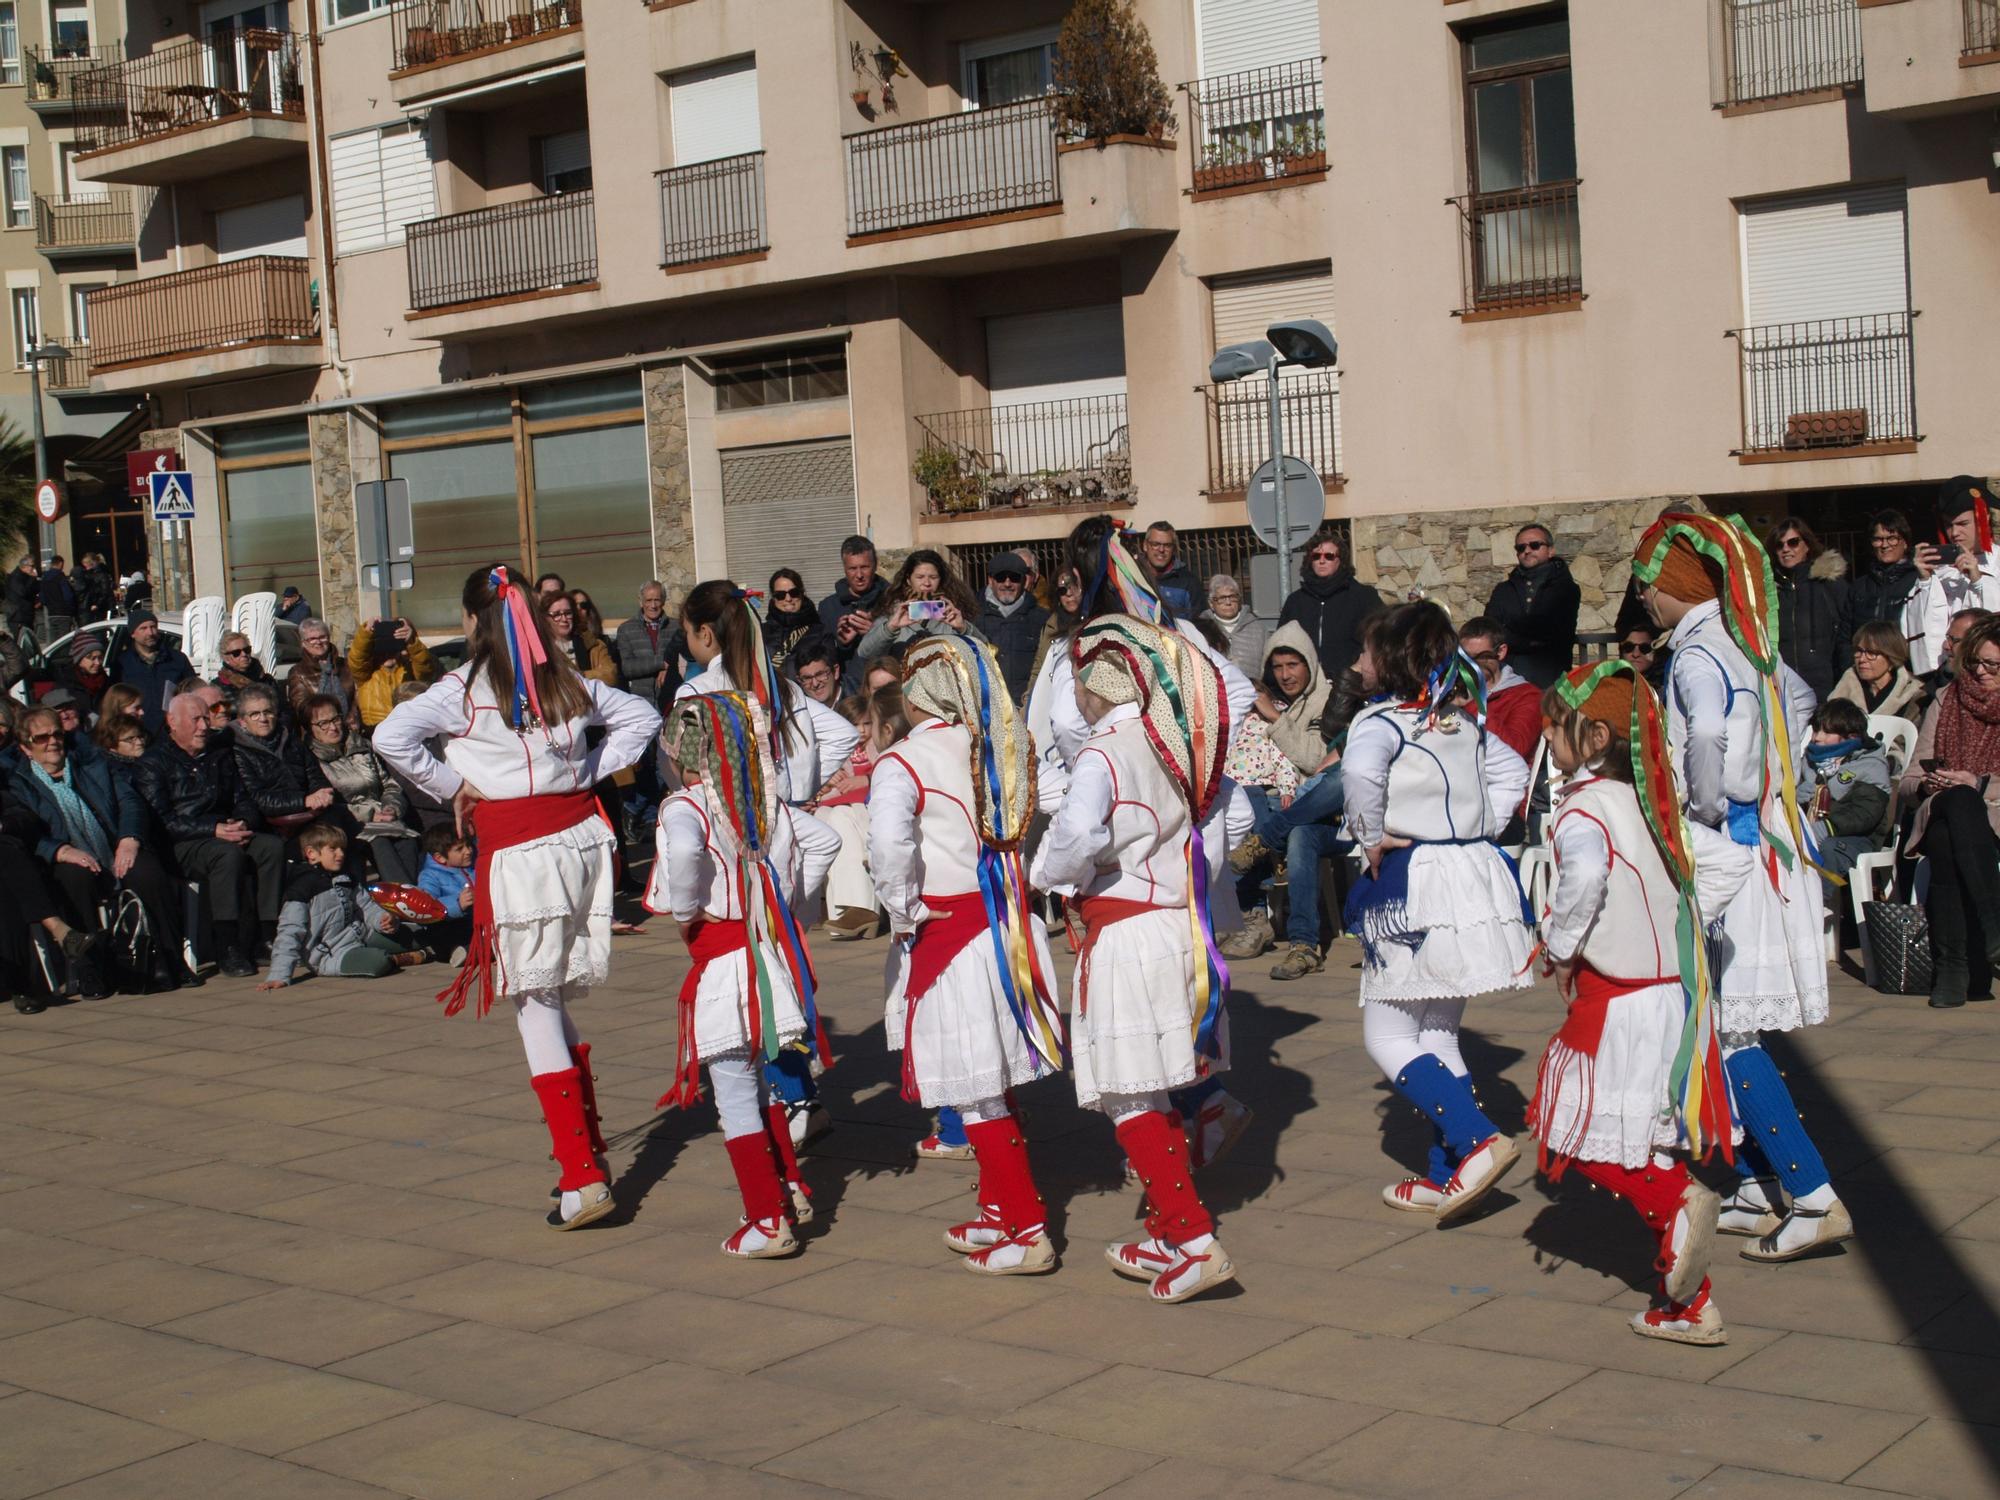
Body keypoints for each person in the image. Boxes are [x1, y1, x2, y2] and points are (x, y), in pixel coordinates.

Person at [372, 564, 658, 1230]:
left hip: (525, 851)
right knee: (547, 993)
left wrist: (451, 785)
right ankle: (588, 1157)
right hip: (582, 839)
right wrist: (585, 769)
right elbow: (640, 716)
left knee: (534, 1000)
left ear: (473, 621)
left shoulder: (463, 688)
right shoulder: (563, 678)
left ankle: (582, 1176)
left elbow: (390, 737)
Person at [1633, 512, 1849, 1263]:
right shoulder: (1746, 640)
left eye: (1647, 588)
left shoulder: (1696, 654)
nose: (1644, 602)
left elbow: (1706, 741)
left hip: (1733, 854)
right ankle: (1758, 1181)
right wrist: (1771, 785)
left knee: (1725, 1031)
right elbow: (1795, 700)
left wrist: (1710, 806)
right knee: (1719, 1020)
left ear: (1670, 586)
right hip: (1766, 847)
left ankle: (1813, 1193)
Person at [1031, 614, 1237, 1303]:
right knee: (1154, 1084)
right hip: (1177, 924)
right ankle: (1165, 1230)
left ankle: (1195, 1237)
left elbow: (1078, 830)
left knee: (1127, 1092)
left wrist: (1047, 872)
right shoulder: (1167, 743)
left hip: (1127, 933)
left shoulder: (1104, 751)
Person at [1530, 661, 1729, 1346]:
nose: (1547, 736)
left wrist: (1557, 943)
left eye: (1556, 726)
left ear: (1594, 737)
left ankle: (1673, 1200)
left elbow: (1584, 876)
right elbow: (1710, 871)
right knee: (1637, 1135)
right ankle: (1690, 1303)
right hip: (1667, 997)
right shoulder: (1648, 803)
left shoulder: (1583, 809)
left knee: (1575, 1135)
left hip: (1617, 1005)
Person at [874, 635, 1065, 1276]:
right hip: (1008, 928)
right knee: (993, 1080)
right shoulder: (999, 745)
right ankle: (996, 1208)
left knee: (977, 1087)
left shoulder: (902, 762)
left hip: (952, 933)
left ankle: (1027, 1226)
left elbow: (889, 851)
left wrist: (903, 912)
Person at [1341, 603, 1533, 1221]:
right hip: (1471, 874)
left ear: (1391, 660)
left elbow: (1359, 775)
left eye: (1368, 652)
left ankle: (1476, 1138)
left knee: (1387, 1033)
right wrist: (1483, 828)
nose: (1359, 663)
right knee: (1438, 1030)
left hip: (1416, 881)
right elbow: (1511, 772)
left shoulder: (1381, 723)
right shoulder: (1464, 723)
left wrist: (1370, 835)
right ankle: (1449, 1171)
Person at [649, 691, 836, 1257]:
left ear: (683, 758)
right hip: (768, 953)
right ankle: (789, 1189)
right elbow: (826, 840)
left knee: (732, 1090)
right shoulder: (765, 804)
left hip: (726, 959)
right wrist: (792, 905)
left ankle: (767, 1219)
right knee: (758, 1082)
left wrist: (687, 910)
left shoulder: (687, 805)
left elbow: (682, 855)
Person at [5, 704, 194, 993]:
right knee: (73, 878)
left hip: (111, 846)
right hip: (65, 857)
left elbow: (129, 801)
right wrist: (59, 850)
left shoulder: (91, 766)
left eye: (56, 734)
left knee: (147, 872)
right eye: (41, 738)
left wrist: (129, 838)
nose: (52, 742)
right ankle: (91, 968)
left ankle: (170, 959)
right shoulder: (21, 784)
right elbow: (26, 831)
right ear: (26, 748)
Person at [1227, 623, 1348, 982]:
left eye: (1293, 665)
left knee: (1273, 822)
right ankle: (1303, 945)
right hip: (1294, 812)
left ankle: (1263, 843)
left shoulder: (1326, 700)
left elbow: (1313, 760)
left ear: (1309, 664)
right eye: (1277, 667)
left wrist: (1275, 718)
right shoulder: (1276, 701)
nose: (1285, 675)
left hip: (1332, 815)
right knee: (1291, 830)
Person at [136, 692, 284, 978]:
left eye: (206, 717)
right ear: (172, 723)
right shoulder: (153, 763)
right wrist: (213, 830)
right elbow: (162, 821)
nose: (204, 726)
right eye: (196, 720)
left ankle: (267, 936)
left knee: (270, 848)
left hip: (224, 829)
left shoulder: (219, 755)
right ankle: (227, 944)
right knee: (226, 855)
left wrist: (241, 822)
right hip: (183, 843)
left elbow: (244, 798)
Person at [1897, 613, 2000, 1010]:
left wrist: (1978, 782)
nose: (1980, 671)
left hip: (1991, 813)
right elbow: (1907, 783)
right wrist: (1930, 783)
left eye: (1993, 665)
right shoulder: (1947, 699)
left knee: (1945, 836)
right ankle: (1993, 922)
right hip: (1946, 807)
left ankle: (1955, 969)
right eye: (1975, 662)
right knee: (1956, 803)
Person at [257, 822, 428, 989]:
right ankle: (397, 958)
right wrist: (279, 975)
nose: (340, 854)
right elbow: (289, 932)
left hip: (362, 935)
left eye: (342, 849)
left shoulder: (346, 877)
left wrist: (382, 919)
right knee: (378, 961)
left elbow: (367, 906)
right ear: (311, 853)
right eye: (333, 849)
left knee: (417, 936)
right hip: (331, 954)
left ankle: (424, 950)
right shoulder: (301, 889)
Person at [302, 692, 420, 883]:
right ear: (310, 728)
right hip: (350, 821)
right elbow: (331, 803)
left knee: (407, 840)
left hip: (383, 815)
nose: (332, 727)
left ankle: (409, 899)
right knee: (379, 842)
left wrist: (391, 807)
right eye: (323, 723)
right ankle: (403, 900)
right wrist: (371, 814)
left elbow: (389, 784)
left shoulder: (361, 746)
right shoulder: (311, 759)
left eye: (335, 719)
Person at [1904, 476, 2000, 676]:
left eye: (1963, 523)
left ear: (1984, 518)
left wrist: (1978, 580)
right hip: (1945, 674)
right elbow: (1915, 629)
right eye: (1948, 525)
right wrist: (1925, 581)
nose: (1955, 532)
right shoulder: (1939, 570)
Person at [1800, 698, 1893, 897]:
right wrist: (1797, 796)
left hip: (1855, 838)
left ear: (1850, 736)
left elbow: (1865, 812)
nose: (1817, 737)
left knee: (1829, 849)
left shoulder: (1870, 766)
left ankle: (1817, 905)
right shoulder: (1807, 761)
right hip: (1805, 830)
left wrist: (1827, 827)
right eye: (1816, 730)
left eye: (1826, 732)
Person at [805, 694, 878, 940]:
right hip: (837, 805)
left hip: (862, 806)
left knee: (840, 818)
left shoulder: (876, 747)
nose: (861, 730)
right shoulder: (838, 752)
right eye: (855, 725)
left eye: (866, 724)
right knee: (830, 818)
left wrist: (866, 779)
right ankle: (850, 911)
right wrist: (825, 783)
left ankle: (852, 909)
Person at [1277, 523, 1383, 687]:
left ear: (1340, 561)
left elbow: (1380, 638)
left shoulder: (1363, 596)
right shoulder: (1296, 601)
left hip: (1351, 684)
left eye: (1329, 556)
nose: (1322, 561)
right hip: (1307, 686)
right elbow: (1282, 644)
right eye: (1316, 556)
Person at [1483, 523, 1582, 688]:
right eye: (1521, 547)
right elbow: (1491, 629)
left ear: (1550, 550)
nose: (1527, 551)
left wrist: (1512, 632)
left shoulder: (1566, 588)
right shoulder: (1503, 590)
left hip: (1549, 676)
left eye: (1535, 545)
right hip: (1508, 676)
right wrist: (1529, 641)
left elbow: (1554, 631)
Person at [232, 683, 337, 835]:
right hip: (273, 823)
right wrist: (303, 800)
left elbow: (313, 773)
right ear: (242, 721)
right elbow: (257, 798)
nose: (263, 719)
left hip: (313, 813)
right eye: (254, 714)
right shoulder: (237, 751)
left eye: (268, 712)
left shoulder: (289, 737)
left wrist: (322, 792)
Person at [1767, 517, 1849, 704]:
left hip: (1827, 688)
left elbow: (1846, 636)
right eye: (1780, 545)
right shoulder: (1770, 591)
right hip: (1784, 689)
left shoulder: (1829, 584)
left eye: (1793, 542)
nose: (1786, 549)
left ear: (1807, 545)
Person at [856, 550, 986, 663]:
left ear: (941, 579)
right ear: (908, 579)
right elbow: (865, 653)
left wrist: (963, 628)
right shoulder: (893, 611)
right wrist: (891, 628)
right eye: (920, 577)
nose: (927, 583)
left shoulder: (953, 612)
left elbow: (985, 650)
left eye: (933, 577)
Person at [1458, 616, 1542, 766]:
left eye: (1481, 657)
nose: (1472, 665)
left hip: (1502, 782)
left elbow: (1515, 751)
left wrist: (1473, 702)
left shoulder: (1527, 696)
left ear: (1501, 652)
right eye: (1465, 658)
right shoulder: (1450, 688)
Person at [1836, 509, 1923, 650]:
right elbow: (1844, 637)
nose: (1884, 545)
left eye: (1892, 538)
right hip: (1864, 665)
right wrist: (1849, 668)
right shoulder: (1859, 587)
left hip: (1905, 667)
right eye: (1878, 539)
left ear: (1905, 542)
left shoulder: (1918, 582)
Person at [973, 553, 1049, 705]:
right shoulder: (972, 616)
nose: (1007, 584)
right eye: (1001, 577)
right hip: (986, 709)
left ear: (1023, 580)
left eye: (1014, 578)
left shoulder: (1042, 619)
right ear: (990, 580)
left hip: (1026, 708)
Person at [818, 535, 890, 694]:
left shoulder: (892, 601)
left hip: (886, 686)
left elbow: (903, 647)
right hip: (849, 691)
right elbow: (823, 659)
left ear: (875, 565)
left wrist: (877, 634)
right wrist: (841, 643)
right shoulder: (828, 607)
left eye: (865, 567)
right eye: (852, 568)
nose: (859, 575)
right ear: (844, 568)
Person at [1828, 619, 1927, 725]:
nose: (1862, 659)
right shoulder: (1843, 691)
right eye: (1859, 651)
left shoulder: (1914, 696)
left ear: (1891, 657)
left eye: (1871, 653)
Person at [113, 607, 193, 737]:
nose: (150, 632)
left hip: (172, 730)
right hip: (138, 731)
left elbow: (192, 690)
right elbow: (115, 699)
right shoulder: (123, 663)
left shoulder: (177, 659)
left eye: (153, 627)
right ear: (133, 633)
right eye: (143, 628)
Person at [349, 616, 434, 730]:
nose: (387, 653)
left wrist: (412, 642)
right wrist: (366, 633)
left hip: (407, 729)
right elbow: (357, 659)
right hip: (374, 731)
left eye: (392, 649)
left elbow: (425, 668)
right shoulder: (367, 675)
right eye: (382, 649)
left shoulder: (409, 668)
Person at [614, 580, 682, 701]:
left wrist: (670, 668)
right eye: (648, 600)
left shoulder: (676, 627)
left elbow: (684, 660)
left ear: (664, 601)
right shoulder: (626, 629)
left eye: (657, 600)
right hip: (640, 700)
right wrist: (662, 663)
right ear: (641, 602)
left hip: (671, 696)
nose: (653, 605)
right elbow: (627, 668)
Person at [417, 822, 476, 957]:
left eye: (468, 845)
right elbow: (426, 906)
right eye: (460, 849)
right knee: (445, 933)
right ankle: (467, 950)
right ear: (440, 857)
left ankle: (473, 950)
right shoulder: (430, 875)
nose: (468, 851)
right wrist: (457, 904)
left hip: (477, 923)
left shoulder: (475, 867)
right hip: (452, 925)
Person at [287, 618, 358, 727]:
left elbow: (356, 696)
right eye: (312, 639)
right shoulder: (298, 672)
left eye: (322, 637)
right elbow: (301, 708)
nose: (318, 642)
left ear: (329, 638)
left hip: (351, 727)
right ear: (303, 643)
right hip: (320, 730)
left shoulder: (345, 665)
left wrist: (352, 718)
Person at [1201, 573, 1265, 681]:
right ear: (1211, 603)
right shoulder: (1202, 628)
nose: (1228, 602)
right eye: (1221, 598)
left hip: (1253, 690)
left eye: (1232, 597)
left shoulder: (1258, 628)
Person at [544, 593, 617, 685]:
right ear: (545, 618)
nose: (564, 619)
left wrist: (579, 676)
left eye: (568, 613)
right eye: (556, 614)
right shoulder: (542, 650)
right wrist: (595, 674)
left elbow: (611, 675)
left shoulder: (593, 644)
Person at [761, 569, 822, 670]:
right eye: (780, 595)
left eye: (794, 592)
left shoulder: (820, 631)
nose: (788, 599)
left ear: (802, 593)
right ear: (773, 598)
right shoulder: (760, 633)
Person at [1924, 607, 1989, 696]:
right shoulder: (1934, 685)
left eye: (1954, 640)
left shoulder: (1992, 697)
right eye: (1948, 638)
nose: (1945, 646)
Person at [1140, 521, 1199, 617]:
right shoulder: (1133, 576)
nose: (1161, 550)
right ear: (1145, 546)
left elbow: (1200, 623)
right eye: (1155, 544)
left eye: (1167, 545)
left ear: (1174, 549)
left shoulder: (1189, 582)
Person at [54, 635, 109, 715]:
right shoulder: (65, 683)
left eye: (100, 658)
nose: (97, 663)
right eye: (92, 658)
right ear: (79, 659)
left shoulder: (106, 681)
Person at [214, 631, 272, 701]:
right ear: (226, 658)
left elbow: (282, 707)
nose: (244, 654)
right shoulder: (218, 686)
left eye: (247, 650)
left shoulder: (268, 680)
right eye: (236, 653)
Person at [37, 555, 77, 641]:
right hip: (63, 613)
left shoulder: (44, 578)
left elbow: (42, 597)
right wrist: (71, 608)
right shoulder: (60, 577)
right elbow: (68, 596)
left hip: (51, 613)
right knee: (64, 640)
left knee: (54, 641)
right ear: (60, 564)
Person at [792, 640, 841, 709]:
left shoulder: (858, 697)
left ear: (836, 671)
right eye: (807, 678)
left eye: (820, 674)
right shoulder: (798, 711)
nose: (815, 684)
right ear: (799, 681)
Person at [4, 554, 37, 637]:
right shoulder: (15, 577)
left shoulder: (26, 577)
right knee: (21, 641)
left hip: (27, 615)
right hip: (18, 617)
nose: (33, 568)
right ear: (24, 566)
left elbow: (33, 590)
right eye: (32, 566)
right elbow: (23, 592)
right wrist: (32, 579)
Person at [74, 554, 114, 623]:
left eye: (86, 564)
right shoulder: (87, 575)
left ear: (91, 563)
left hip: (101, 607)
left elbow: (104, 591)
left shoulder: (101, 574)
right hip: (92, 606)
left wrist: (97, 604)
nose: (85, 567)